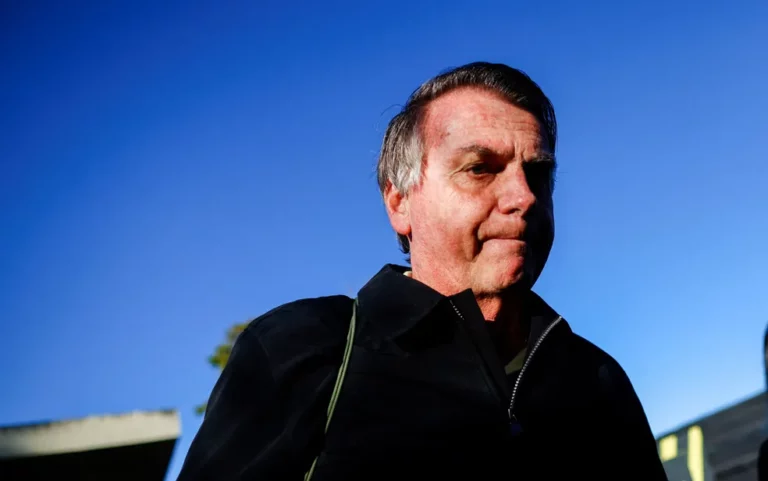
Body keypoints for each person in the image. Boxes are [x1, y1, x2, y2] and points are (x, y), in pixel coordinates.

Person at [177, 62, 668, 480]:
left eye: (538, 173)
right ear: (399, 202)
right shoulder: (302, 347)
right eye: (480, 168)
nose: (524, 197)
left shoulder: (597, 379)